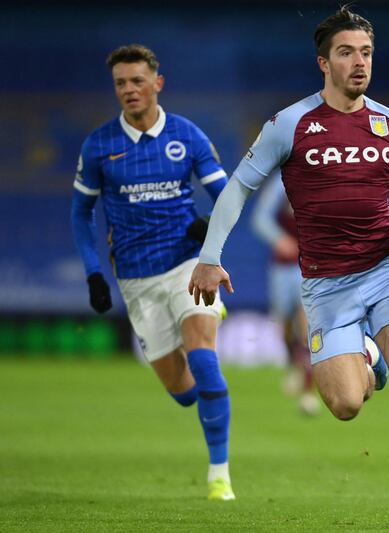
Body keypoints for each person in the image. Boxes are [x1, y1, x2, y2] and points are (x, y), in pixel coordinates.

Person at [188, 7, 389, 528]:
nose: (359, 63)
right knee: (345, 405)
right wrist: (209, 256)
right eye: (346, 52)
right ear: (323, 62)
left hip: (386, 269)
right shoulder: (290, 124)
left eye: (366, 53)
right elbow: (239, 187)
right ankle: (369, 352)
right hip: (326, 286)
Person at [71, 44, 235, 501]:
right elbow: (80, 214)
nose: (129, 89)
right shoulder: (100, 145)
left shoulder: (188, 136)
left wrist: (211, 237)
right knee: (184, 392)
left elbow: (227, 196)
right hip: (136, 279)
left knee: (204, 360)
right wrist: (93, 274)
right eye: (121, 82)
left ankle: (219, 475)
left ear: (157, 83)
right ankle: (194, 360)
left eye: (137, 80)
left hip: (188, 265)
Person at [250, 175, 320, 415]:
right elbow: (260, 219)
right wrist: (280, 239)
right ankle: (295, 367)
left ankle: (308, 391)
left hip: (310, 266)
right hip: (282, 267)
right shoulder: (280, 185)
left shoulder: (321, 179)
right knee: (284, 326)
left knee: (306, 325)